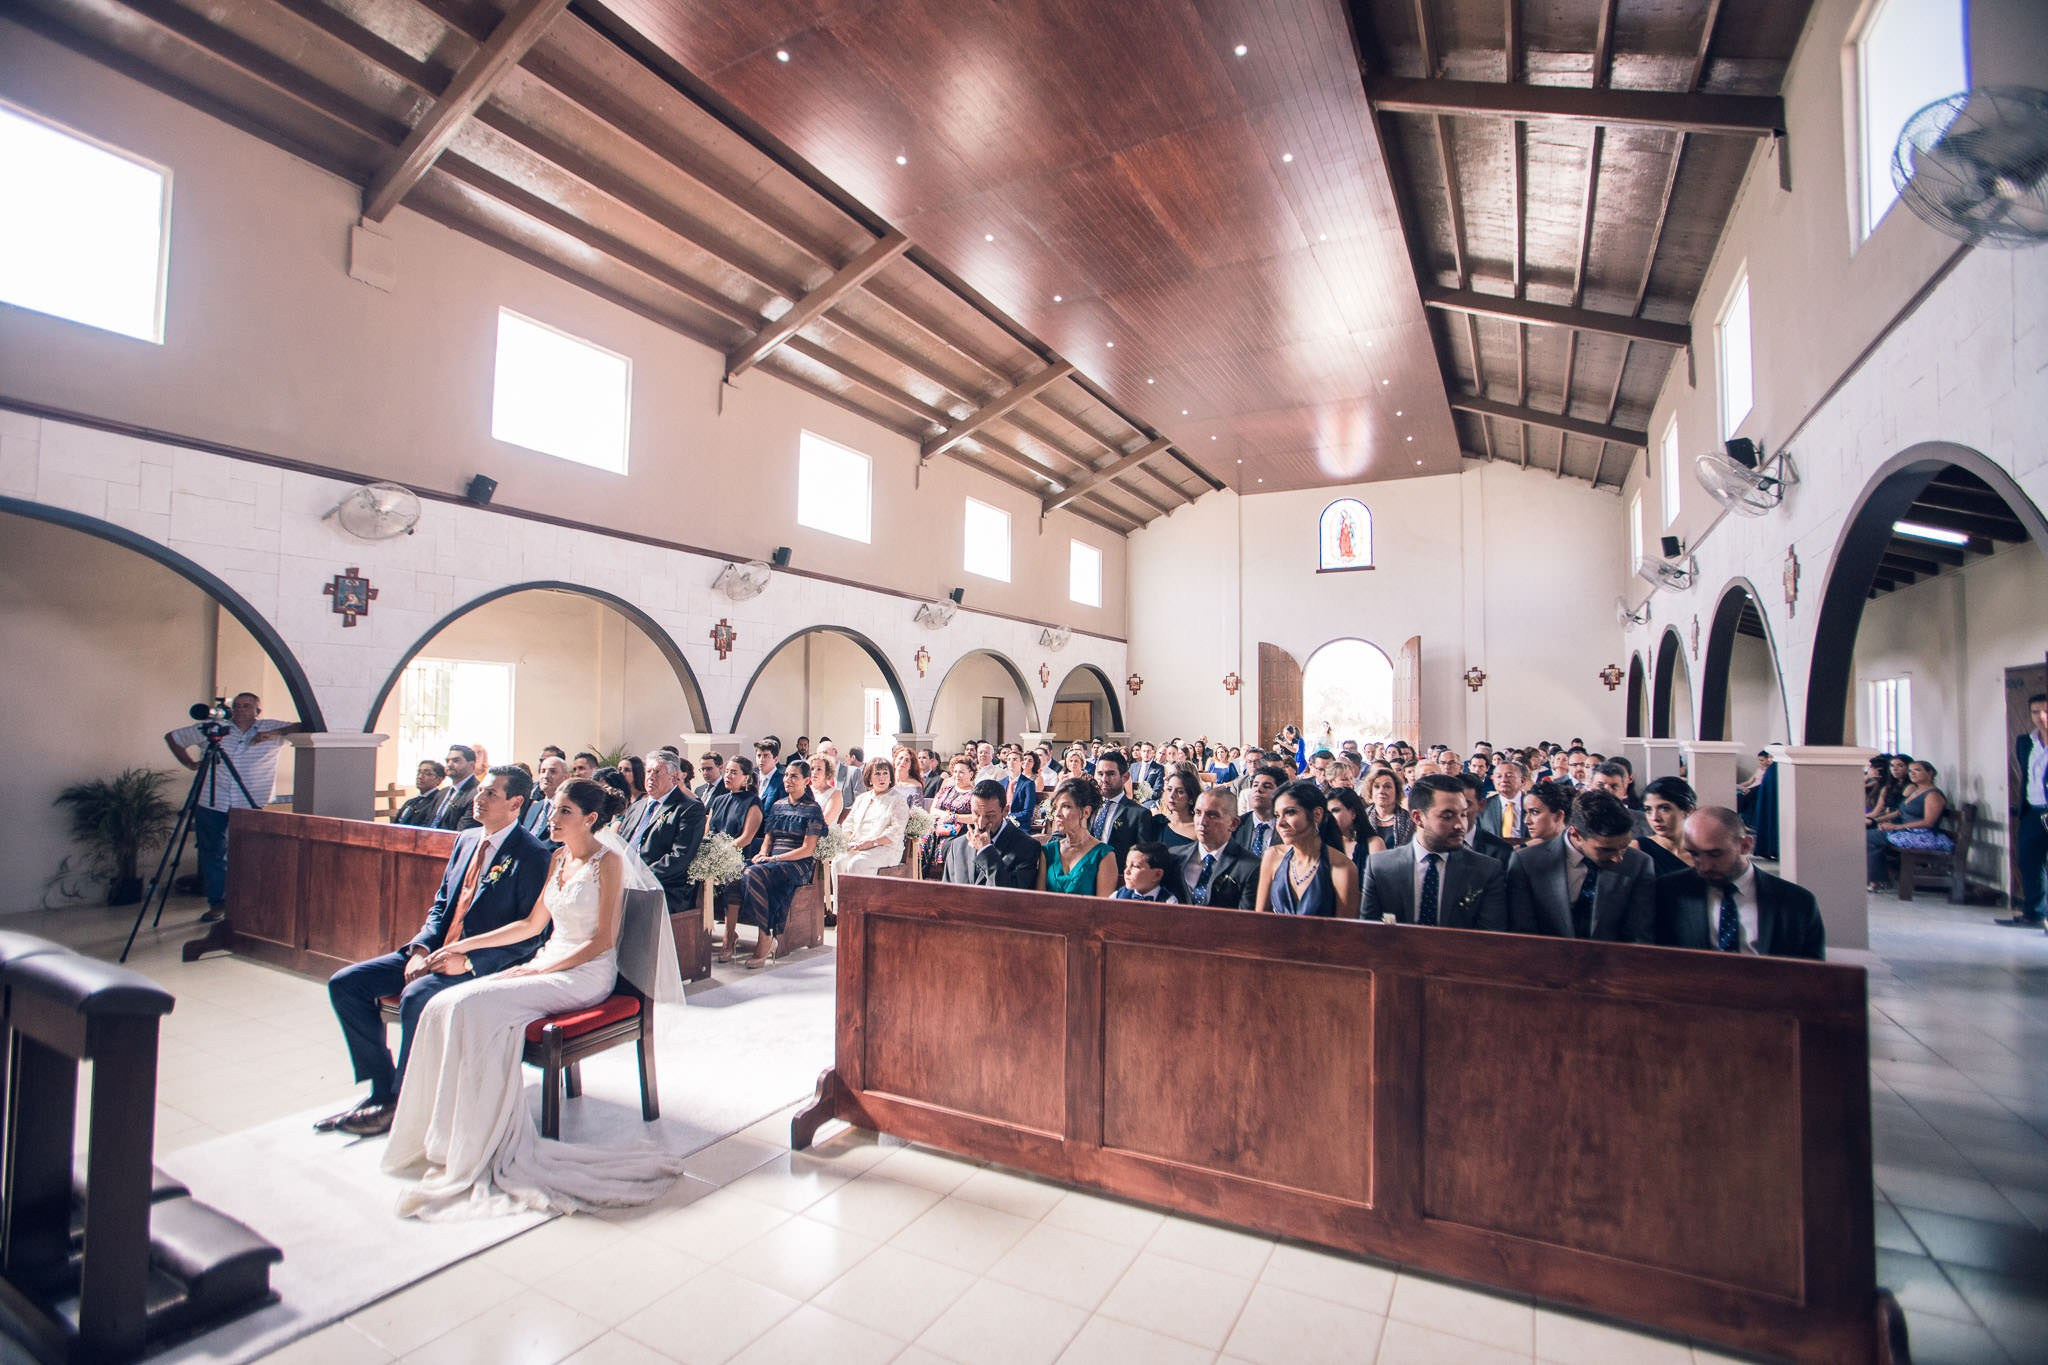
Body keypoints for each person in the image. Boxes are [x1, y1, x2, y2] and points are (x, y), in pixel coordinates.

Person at [380, 777, 688, 1217]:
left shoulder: (609, 861)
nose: (552, 817)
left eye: (564, 811)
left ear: (591, 819)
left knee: (471, 1005)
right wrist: (465, 946)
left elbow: (603, 941)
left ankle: (487, 1141)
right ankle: (443, 1133)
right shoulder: (558, 858)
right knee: (441, 1005)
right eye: (553, 808)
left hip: (584, 974)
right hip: (547, 961)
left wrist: (544, 967)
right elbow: (529, 925)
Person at [322, 765, 550, 1137]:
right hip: (436, 950)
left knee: (415, 996)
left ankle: (401, 1100)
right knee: (346, 984)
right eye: (481, 790)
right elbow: (441, 906)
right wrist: (420, 948)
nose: (479, 797)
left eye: (491, 793)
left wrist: (470, 961)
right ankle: (381, 1087)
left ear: (516, 803)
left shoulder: (533, 854)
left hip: (479, 963)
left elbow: (530, 937)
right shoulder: (466, 840)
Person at [162, 691, 306, 920]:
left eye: (247, 706)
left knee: (252, 852)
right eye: (237, 706)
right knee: (212, 853)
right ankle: (219, 903)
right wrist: (189, 763)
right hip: (212, 800)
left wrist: (273, 734)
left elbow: (305, 725)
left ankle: (253, 902)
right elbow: (173, 737)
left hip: (251, 801)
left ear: (258, 711)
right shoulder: (213, 728)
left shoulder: (269, 727)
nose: (241, 710)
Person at [1655, 807, 1824, 959]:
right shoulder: (1669, 892)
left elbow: (1812, 976)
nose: (1704, 866)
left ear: (1745, 845)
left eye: (1715, 854)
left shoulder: (1797, 903)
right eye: (1694, 854)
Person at [1507, 791, 1657, 942]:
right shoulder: (1528, 863)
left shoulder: (1638, 863)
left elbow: (1639, 935)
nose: (1618, 858)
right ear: (1576, 835)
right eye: (1606, 849)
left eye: (1624, 847)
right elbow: (1523, 933)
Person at [1361, 775, 1507, 929]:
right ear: (1418, 818)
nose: (1460, 825)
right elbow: (1369, 935)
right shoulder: (1381, 867)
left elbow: (1490, 941)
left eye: (1463, 814)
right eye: (1447, 816)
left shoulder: (1485, 871)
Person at [730, 759, 827, 968]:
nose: (788, 780)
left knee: (752, 874)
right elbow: (769, 838)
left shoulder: (812, 809)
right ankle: (763, 934)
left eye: (794, 776)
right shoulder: (778, 805)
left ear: (807, 781)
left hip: (797, 864)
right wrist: (763, 853)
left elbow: (807, 849)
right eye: (786, 775)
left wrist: (774, 858)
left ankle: (764, 937)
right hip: (772, 860)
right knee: (743, 871)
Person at [1255, 780, 1360, 918]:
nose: (1280, 823)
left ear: (1317, 814)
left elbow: (1346, 933)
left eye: (1290, 812)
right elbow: (1260, 921)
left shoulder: (1343, 868)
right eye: (1277, 815)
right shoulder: (1272, 856)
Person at [828, 758, 909, 922]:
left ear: (891, 777)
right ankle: (842, 912)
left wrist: (871, 843)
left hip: (885, 848)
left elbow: (896, 831)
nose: (882, 778)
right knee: (838, 861)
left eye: (885, 773)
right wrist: (848, 837)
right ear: (869, 778)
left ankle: (859, 912)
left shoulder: (897, 799)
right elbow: (848, 822)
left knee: (856, 864)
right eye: (877, 774)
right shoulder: (862, 798)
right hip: (859, 846)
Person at [633, 751, 707, 921]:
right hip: (626, 876)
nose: (651, 776)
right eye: (648, 771)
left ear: (674, 777)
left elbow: (680, 856)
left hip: (662, 884)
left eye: (657, 772)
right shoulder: (637, 807)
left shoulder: (688, 808)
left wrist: (640, 876)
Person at [942, 780, 1045, 889]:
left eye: (990, 816)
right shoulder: (957, 846)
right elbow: (946, 894)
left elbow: (1012, 898)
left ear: (1005, 811)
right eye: (976, 814)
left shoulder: (1027, 847)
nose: (981, 824)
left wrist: (985, 851)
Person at [2002, 694, 2048, 929]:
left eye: (2045, 711)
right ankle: (2035, 913)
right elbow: (2028, 776)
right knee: (2029, 862)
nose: (2041, 717)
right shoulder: (2025, 742)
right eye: (2035, 712)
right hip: (2032, 811)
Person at [1867, 760, 1950, 891]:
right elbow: (1899, 812)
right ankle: (1877, 879)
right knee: (1870, 835)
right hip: (1907, 831)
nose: (1912, 774)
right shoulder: (1916, 791)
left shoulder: (1932, 794)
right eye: (1910, 771)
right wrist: (1875, 821)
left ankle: (1878, 880)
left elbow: (1928, 822)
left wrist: (1896, 827)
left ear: (1930, 773)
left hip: (1923, 835)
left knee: (1869, 837)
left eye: (1917, 770)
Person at [1041, 776, 1118, 898]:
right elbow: (1038, 902)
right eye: (1056, 807)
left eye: (1066, 806)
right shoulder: (1048, 851)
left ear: (1086, 812)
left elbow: (1103, 910)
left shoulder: (1104, 855)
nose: (1057, 814)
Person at [1182, 789, 1261, 908]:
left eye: (1212, 815)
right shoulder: (1176, 857)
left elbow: (1246, 921)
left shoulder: (1250, 867)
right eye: (1198, 813)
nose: (1202, 822)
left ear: (1233, 824)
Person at [1091, 751, 1152, 870]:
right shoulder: (1088, 807)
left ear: (1125, 777)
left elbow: (1142, 857)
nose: (1104, 779)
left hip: (1118, 875)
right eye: (1100, 773)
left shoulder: (1139, 814)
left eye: (1110, 774)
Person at [921, 755, 979, 877]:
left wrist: (955, 817)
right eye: (955, 772)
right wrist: (946, 815)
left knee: (949, 846)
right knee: (922, 840)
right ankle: (922, 878)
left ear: (971, 774)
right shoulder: (946, 789)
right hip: (939, 826)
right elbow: (933, 809)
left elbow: (975, 817)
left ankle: (948, 879)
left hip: (960, 830)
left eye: (962, 772)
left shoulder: (975, 794)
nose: (957, 775)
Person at [1635, 776, 1696, 877]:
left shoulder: (1702, 853)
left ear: (1688, 810)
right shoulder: (1638, 849)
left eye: (1664, 808)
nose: (1655, 817)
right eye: (1648, 810)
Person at [1230, 764, 1288, 857]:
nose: (1258, 789)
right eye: (1255, 785)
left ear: (1280, 792)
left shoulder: (1289, 827)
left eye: (1267, 786)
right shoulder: (1237, 825)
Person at [1457, 774, 1514, 866]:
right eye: (1452, 805)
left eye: (1466, 804)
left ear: (1481, 805)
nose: (1458, 811)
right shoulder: (1435, 844)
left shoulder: (1501, 851)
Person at [1114, 841, 1188, 904]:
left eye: (1135, 866)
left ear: (1157, 875)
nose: (1126, 871)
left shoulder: (1169, 901)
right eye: (1126, 865)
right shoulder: (1118, 896)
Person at [1359, 767, 1415, 848]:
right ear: (1370, 791)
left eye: (1387, 787)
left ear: (1397, 791)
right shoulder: (1363, 818)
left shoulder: (1409, 820)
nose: (1381, 791)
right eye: (1377, 787)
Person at [520, 753, 568, 839]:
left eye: (553, 771)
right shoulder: (534, 807)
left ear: (566, 777)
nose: (546, 776)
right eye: (543, 771)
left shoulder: (567, 810)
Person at [1154, 768, 1202, 847]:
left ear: (1191, 799)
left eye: (1180, 792)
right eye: (1169, 789)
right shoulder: (1158, 822)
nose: (1172, 795)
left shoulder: (1199, 829)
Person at [392, 760, 447, 828]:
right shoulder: (410, 802)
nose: (420, 777)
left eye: (427, 774)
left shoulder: (438, 802)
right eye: (419, 772)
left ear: (439, 780)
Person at [1007, 749, 1041, 829]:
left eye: (1015, 760)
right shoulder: (1001, 782)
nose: (1011, 762)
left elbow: (1027, 813)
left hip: (1018, 824)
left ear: (1021, 763)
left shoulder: (1028, 784)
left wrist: (1008, 817)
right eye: (1008, 760)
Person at [808, 753, 844, 827]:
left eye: (819, 769)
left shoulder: (835, 794)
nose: (814, 772)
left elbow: (824, 822)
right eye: (812, 768)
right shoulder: (804, 790)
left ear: (827, 772)